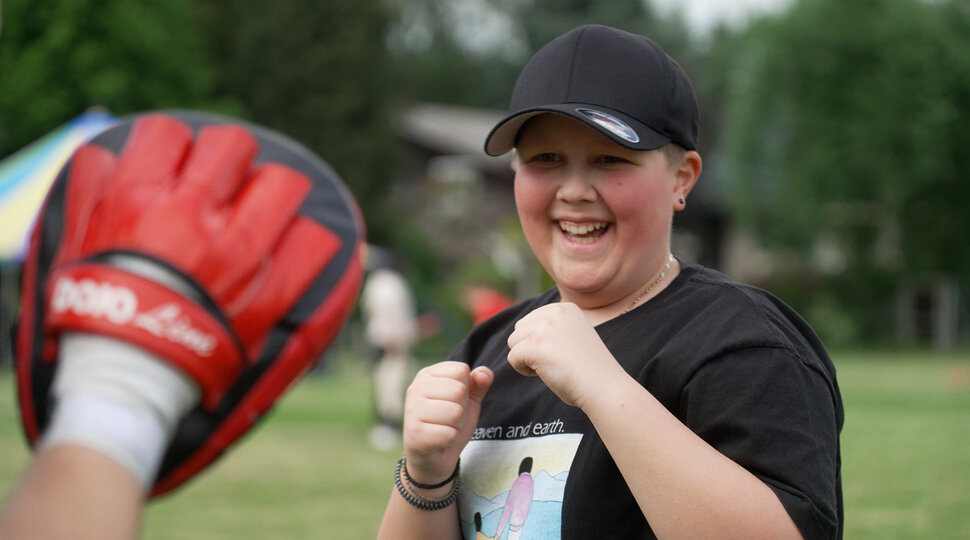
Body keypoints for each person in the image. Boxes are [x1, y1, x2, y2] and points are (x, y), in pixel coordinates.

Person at [377, 24, 843, 540]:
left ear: (682, 178)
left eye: (610, 159)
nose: (574, 190)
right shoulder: (488, 350)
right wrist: (427, 475)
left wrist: (604, 386)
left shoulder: (741, 343)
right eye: (545, 159)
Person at [360, 252, 420, 449]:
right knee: (390, 384)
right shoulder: (388, 283)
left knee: (389, 383)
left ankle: (388, 425)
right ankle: (388, 426)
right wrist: (394, 339)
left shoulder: (381, 282)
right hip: (391, 341)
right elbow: (388, 312)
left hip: (386, 340)